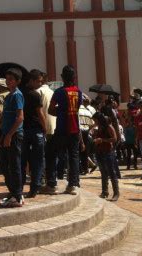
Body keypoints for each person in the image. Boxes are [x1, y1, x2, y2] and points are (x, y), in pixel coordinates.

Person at [48, 65, 84, 195]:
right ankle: (72, 185)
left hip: (62, 128)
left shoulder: (58, 92)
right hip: (74, 128)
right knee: (74, 157)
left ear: (62, 77)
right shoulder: (79, 92)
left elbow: (50, 110)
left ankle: (52, 184)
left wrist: (61, 112)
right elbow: (77, 108)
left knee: (53, 153)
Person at [0, 68, 24, 208]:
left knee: (14, 165)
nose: (8, 82)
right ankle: (13, 192)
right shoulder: (8, 96)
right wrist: (3, 134)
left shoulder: (17, 95)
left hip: (14, 135)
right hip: (6, 134)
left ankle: (17, 195)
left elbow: (20, 117)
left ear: (17, 81)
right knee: (4, 164)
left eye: (11, 79)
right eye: (7, 79)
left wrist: (9, 135)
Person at [21, 69, 46, 198]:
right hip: (36, 130)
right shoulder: (35, 95)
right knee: (37, 160)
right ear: (32, 80)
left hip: (23, 130)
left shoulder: (20, 93)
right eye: (38, 81)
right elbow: (40, 114)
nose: (40, 84)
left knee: (22, 160)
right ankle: (35, 187)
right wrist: (45, 128)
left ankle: (19, 187)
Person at [92, 112, 119, 201]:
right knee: (103, 173)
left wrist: (102, 140)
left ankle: (116, 193)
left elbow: (114, 138)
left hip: (108, 152)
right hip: (100, 152)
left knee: (111, 173)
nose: (94, 122)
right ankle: (105, 192)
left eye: (95, 120)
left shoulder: (108, 127)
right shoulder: (99, 127)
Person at [124, 104, 138, 170]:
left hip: (133, 141)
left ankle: (134, 165)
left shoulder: (134, 127)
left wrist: (135, 141)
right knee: (129, 154)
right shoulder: (127, 126)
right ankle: (129, 165)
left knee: (135, 154)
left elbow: (136, 134)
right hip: (128, 141)